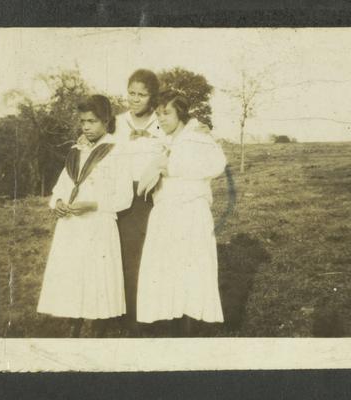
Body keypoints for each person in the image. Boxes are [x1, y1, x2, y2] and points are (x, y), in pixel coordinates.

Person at [37, 95, 133, 337]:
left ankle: (98, 329)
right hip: (72, 225)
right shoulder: (77, 150)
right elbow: (62, 185)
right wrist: (57, 202)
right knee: (74, 276)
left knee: (96, 278)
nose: (86, 127)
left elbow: (124, 198)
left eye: (92, 121)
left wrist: (93, 205)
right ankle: (74, 327)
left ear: (107, 121)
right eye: (83, 121)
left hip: (98, 223)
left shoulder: (117, 151)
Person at [136, 90, 226, 334]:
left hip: (190, 213)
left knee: (191, 270)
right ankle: (171, 326)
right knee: (167, 271)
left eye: (166, 113)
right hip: (166, 212)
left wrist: (172, 167)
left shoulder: (198, 137)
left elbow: (217, 164)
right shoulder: (164, 141)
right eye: (158, 114)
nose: (161, 119)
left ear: (181, 114)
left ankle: (189, 329)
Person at [112, 69, 165, 331]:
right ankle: (124, 315)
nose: (135, 99)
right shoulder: (118, 123)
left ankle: (148, 316)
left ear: (152, 97)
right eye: (131, 93)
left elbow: (180, 141)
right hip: (120, 196)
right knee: (122, 255)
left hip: (151, 197)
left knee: (147, 257)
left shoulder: (162, 122)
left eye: (142, 95)